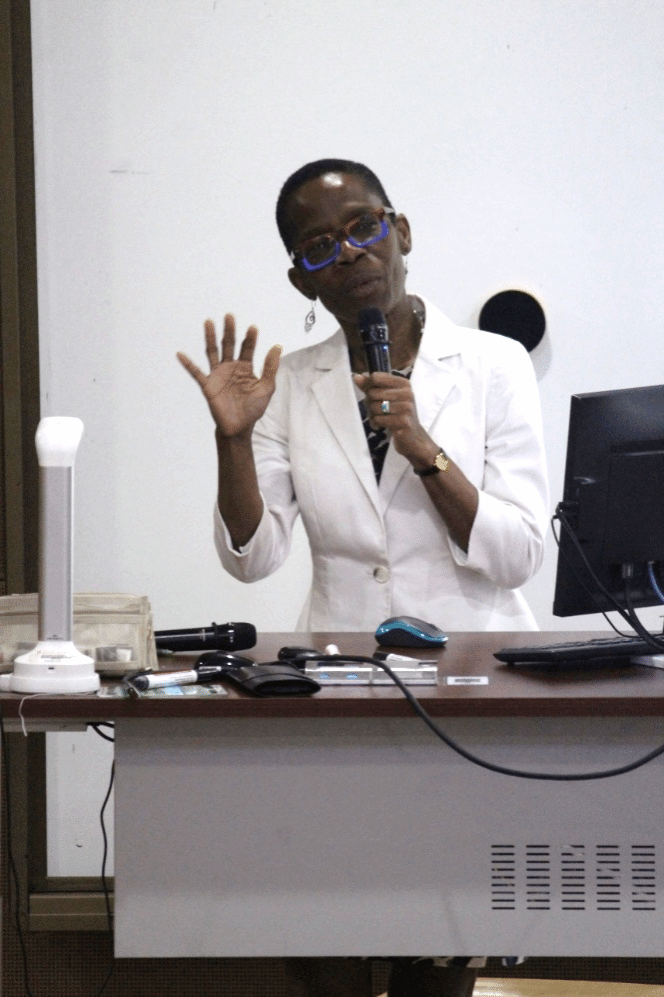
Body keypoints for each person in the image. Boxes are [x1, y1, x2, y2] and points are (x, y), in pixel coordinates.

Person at [177, 159, 549, 997]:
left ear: (400, 230)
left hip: (469, 688)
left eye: (362, 227)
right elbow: (252, 555)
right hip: (338, 691)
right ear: (301, 276)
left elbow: (519, 552)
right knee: (322, 929)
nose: (347, 252)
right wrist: (234, 440)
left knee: (440, 944)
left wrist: (423, 448)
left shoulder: (494, 364)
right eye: (319, 246)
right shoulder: (287, 384)